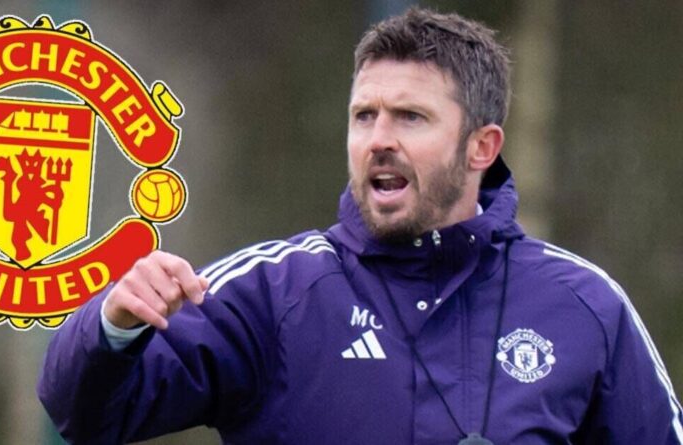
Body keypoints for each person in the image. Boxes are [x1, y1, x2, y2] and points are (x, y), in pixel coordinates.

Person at [38, 7, 683, 445]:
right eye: (364, 115)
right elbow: (84, 415)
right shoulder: (273, 293)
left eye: (410, 117)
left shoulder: (586, 305)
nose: (378, 140)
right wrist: (112, 327)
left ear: (481, 147)